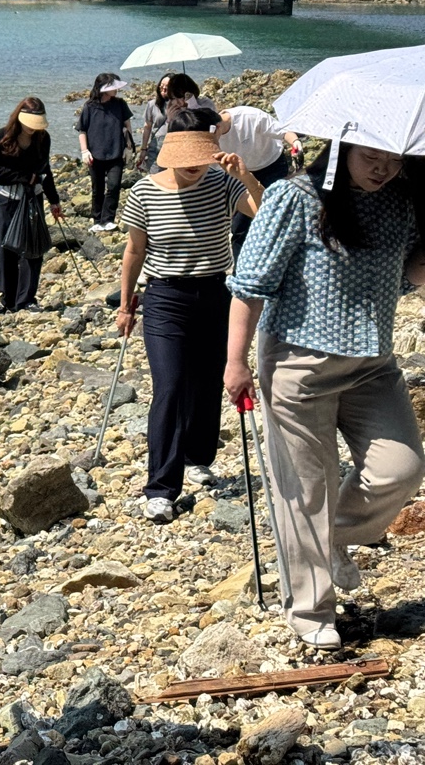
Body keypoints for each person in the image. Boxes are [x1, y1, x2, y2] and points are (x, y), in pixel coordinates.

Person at [225, 142, 425, 648]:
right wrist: (235, 361)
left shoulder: (400, 201)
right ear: (342, 145)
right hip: (299, 365)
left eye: (394, 160)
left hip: (373, 365)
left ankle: (329, 536)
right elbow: (250, 284)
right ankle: (310, 610)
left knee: (401, 469)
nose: (383, 169)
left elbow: (410, 272)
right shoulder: (294, 197)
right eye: (372, 157)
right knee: (306, 490)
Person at [117, 109, 262, 524]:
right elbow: (134, 251)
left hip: (216, 293)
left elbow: (267, 214)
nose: (195, 166)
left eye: (202, 157)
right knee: (170, 385)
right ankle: (161, 487)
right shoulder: (144, 193)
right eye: (188, 159)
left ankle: (198, 457)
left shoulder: (222, 182)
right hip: (165, 298)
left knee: (207, 382)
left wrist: (245, 175)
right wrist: (126, 306)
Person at [0, 97, 64, 313]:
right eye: (30, 124)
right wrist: (24, 177)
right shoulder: (2, 137)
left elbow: (45, 171)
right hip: (7, 200)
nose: (32, 129)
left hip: (33, 199)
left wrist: (54, 200)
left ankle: (27, 299)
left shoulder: (43, 138)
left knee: (32, 249)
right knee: (5, 250)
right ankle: (8, 299)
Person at [214, 105, 302, 263]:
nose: (212, 140)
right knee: (240, 226)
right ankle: (239, 269)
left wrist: (295, 143)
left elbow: (283, 131)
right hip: (241, 172)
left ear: (218, 126)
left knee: (276, 215)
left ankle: (282, 261)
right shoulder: (210, 136)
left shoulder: (249, 116)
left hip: (272, 165)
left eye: (213, 134)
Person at [77, 73, 135, 232]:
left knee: (114, 186)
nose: (117, 89)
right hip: (95, 155)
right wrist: (84, 151)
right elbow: (82, 130)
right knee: (97, 189)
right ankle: (97, 220)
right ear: (102, 88)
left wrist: (128, 147)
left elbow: (127, 126)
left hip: (116, 153)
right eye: (113, 86)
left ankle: (108, 219)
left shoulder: (120, 104)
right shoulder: (89, 107)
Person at [135, 73, 175, 174]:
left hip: (174, 148)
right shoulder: (153, 104)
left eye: (167, 86)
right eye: (162, 86)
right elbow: (147, 127)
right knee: (155, 177)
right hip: (156, 148)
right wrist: (143, 149)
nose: (164, 89)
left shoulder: (180, 105)